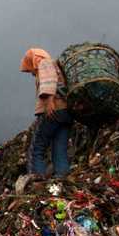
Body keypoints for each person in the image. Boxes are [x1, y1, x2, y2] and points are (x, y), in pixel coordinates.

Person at [20, 48, 73, 178]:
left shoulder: (44, 63)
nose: (31, 73)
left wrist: (50, 101)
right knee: (59, 147)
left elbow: (49, 80)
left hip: (53, 110)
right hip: (67, 112)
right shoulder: (57, 66)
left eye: (29, 69)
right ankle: (62, 176)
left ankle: (37, 179)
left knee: (37, 148)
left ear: (33, 60)